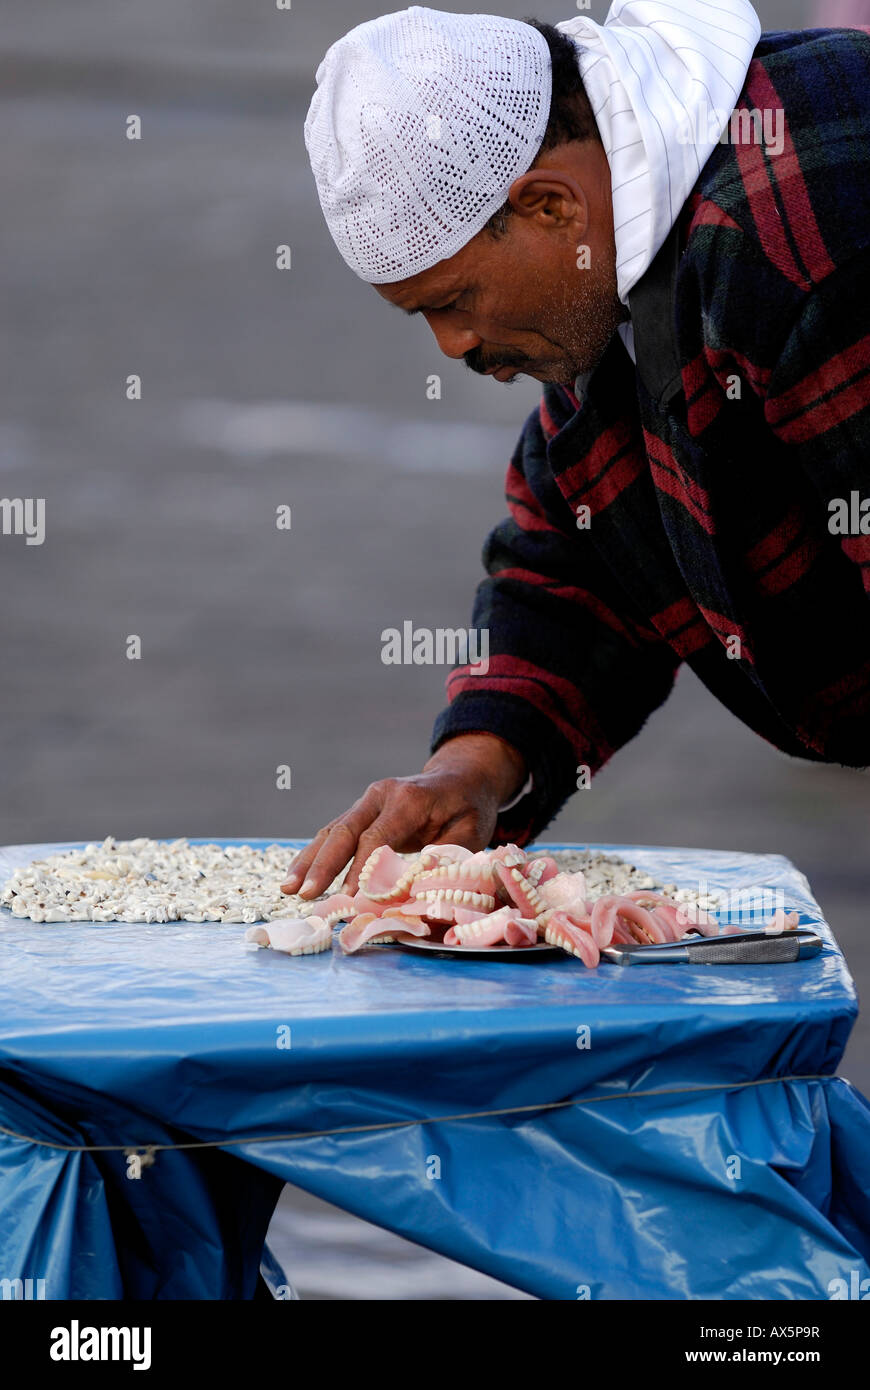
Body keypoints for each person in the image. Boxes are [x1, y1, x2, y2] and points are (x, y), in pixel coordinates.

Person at [284, 2, 870, 899]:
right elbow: (583, 562)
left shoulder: (810, 225)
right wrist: (474, 769)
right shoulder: (625, 265)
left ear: (550, 206)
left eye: (450, 301)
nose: (451, 346)